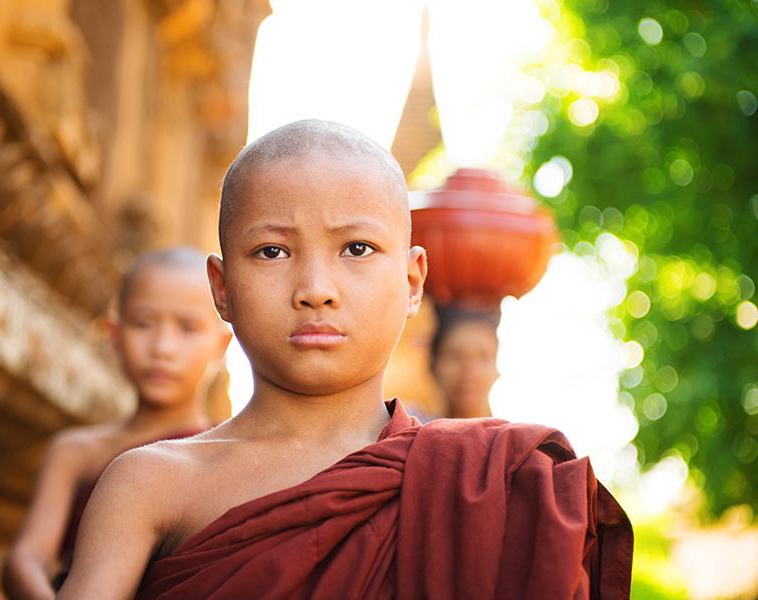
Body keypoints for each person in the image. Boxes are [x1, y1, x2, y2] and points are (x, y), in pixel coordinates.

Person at [58, 120, 633, 599]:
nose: (316, 289)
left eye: (357, 249)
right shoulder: (153, 483)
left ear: (412, 283)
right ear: (222, 288)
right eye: (272, 251)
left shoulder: (493, 485)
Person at [1, 247, 232, 599]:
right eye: (144, 324)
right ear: (114, 334)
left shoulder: (228, 454)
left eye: (187, 328)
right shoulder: (78, 451)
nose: (163, 348)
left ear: (221, 345)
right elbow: (25, 559)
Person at [430, 305, 501, 419]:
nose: (469, 369)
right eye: (455, 356)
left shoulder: (518, 429)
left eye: (483, 356)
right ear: (433, 365)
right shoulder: (411, 426)